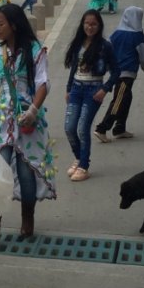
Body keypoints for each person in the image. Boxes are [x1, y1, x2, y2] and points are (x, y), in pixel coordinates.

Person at [0, 4, 56, 237]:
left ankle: (27, 219)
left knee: (26, 175)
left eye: (1, 23)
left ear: (14, 24)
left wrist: (33, 110)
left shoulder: (35, 50)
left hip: (27, 120)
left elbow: (43, 83)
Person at [62, 10, 115, 181]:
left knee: (82, 128)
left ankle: (84, 166)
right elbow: (73, 68)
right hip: (76, 89)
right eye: (87, 23)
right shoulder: (78, 43)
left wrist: (105, 88)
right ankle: (79, 158)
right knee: (69, 128)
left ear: (99, 26)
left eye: (93, 24)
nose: (89, 27)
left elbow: (116, 71)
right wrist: (68, 89)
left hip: (93, 90)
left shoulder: (105, 46)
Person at [93, 6, 144, 141]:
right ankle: (102, 128)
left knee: (126, 98)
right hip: (127, 73)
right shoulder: (137, 35)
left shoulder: (116, 33)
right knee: (118, 101)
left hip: (115, 71)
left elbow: (107, 50)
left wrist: (106, 67)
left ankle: (120, 128)